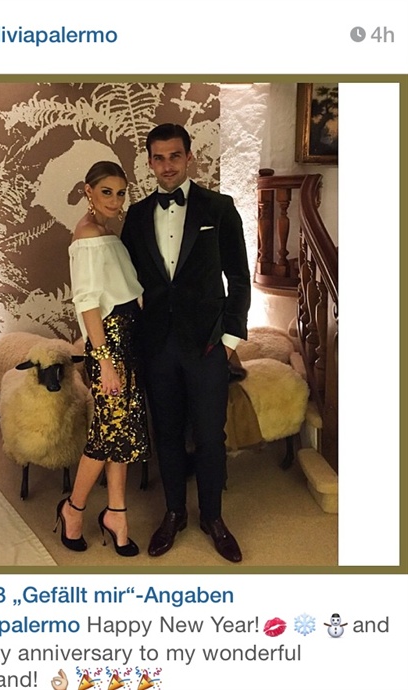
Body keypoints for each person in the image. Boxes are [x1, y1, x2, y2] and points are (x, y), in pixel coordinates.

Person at [121, 123, 251, 563]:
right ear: (150, 162)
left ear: (189, 157)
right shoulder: (137, 215)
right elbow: (126, 282)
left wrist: (230, 339)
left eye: (174, 156)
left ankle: (213, 517)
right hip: (157, 344)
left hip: (208, 344)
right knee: (168, 434)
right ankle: (174, 512)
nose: (167, 166)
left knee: (211, 436)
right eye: (158, 158)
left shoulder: (220, 207)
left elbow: (239, 277)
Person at [55, 161, 150, 557]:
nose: (115, 200)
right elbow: (88, 302)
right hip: (109, 344)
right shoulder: (88, 236)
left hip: (126, 341)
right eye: (106, 191)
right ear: (88, 191)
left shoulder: (105, 232)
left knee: (120, 433)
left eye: (121, 192)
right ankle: (73, 509)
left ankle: (116, 513)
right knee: (107, 435)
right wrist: (106, 360)